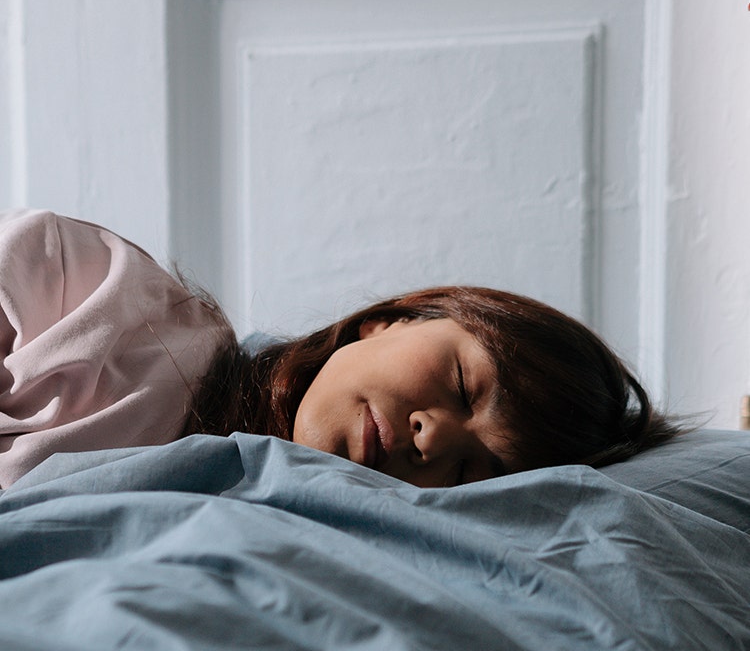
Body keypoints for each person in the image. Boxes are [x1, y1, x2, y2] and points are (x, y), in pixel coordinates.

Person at [0, 209, 679, 488]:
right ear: (391, 320)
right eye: (465, 386)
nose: (434, 437)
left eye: (472, 472)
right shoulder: (98, 295)